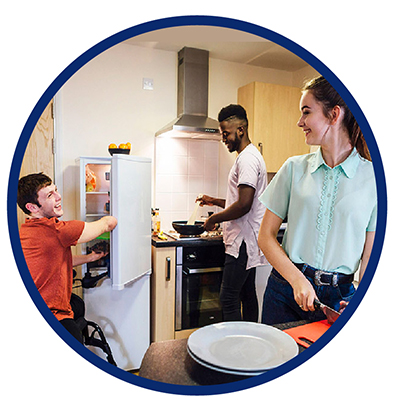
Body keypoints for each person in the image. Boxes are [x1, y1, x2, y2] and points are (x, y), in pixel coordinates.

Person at [257, 76, 376, 325]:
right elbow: (265, 236)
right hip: (284, 291)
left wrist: (362, 301)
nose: (299, 122)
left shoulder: (375, 181)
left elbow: (370, 257)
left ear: (334, 114)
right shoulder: (293, 168)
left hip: (339, 301)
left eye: (306, 112)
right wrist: (297, 279)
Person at [17, 172, 118, 342]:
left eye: (55, 190)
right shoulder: (58, 231)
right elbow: (108, 224)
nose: (58, 197)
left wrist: (90, 258)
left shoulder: (26, 230)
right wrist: (119, 211)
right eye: (50, 195)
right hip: (52, 315)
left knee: (77, 305)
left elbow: (52, 261)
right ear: (32, 207)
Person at [197, 104, 269, 322]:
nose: (224, 138)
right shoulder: (249, 155)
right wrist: (215, 201)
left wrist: (214, 219)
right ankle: (247, 345)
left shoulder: (247, 159)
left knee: (228, 297)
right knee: (247, 296)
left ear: (241, 129)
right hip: (247, 240)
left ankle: (235, 349)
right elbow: (239, 200)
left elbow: (244, 204)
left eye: (226, 133)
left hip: (242, 242)